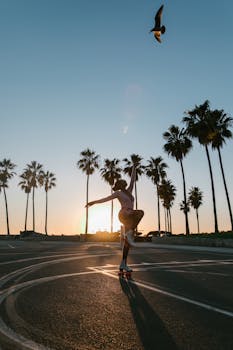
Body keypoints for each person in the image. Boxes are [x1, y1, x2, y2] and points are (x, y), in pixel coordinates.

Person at [85, 166, 144, 273]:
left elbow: (132, 180)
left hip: (130, 216)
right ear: (120, 185)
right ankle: (130, 233)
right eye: (121, 182)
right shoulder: (118, 193)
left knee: (127, 243)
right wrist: (93, 202)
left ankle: (123, 264)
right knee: (140, 212)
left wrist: (134, 168)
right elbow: (106, 199)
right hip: (123, 215)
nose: (124, 183)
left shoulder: (129, 191)